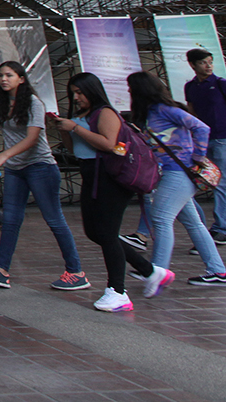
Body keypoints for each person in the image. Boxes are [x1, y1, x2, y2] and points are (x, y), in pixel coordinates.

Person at [0, 60, 88, 292]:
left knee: (54, 219)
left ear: (21, 79)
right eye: (1, 75)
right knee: (10, 220)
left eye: (9, 75)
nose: (4, 79)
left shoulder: (33, 102)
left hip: (40, 167)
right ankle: (0, 269)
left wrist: (3, 156)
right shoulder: (2, 103)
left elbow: (32, 138)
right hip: (16, 169)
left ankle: (76, 272)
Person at [52, 72, 159, 312]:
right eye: (73, 93)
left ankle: (117, 291)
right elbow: (75, 149)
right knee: (94, 232)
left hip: (110, 176)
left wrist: (75, 128)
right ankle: (148, 270)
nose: (76, 97)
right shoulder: (81, 115)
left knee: (107, 233)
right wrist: (64, 130)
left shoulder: (105, 112)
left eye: (80, 92)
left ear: (92, 91)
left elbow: (109, 144)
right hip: (90, 173)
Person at [130, 70, 226, 290]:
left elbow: (202, 127)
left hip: (178, 172)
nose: (129, 92)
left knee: (161, 218)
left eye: (131, 88)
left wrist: (198, 155)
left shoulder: (164, 109)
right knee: (193, 223)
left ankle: (157, 272)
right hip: (174, 173)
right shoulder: (153, 111)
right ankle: (218, 272)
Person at [182, 49, 226, 245]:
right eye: (203, 62)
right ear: (192, 65)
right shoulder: (191, 87)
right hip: (207, 140)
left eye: (210, 62)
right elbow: (193, 115)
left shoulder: (223, 84)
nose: (208, 66)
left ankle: (221, 229)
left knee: (222, 183)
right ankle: (221, 228)